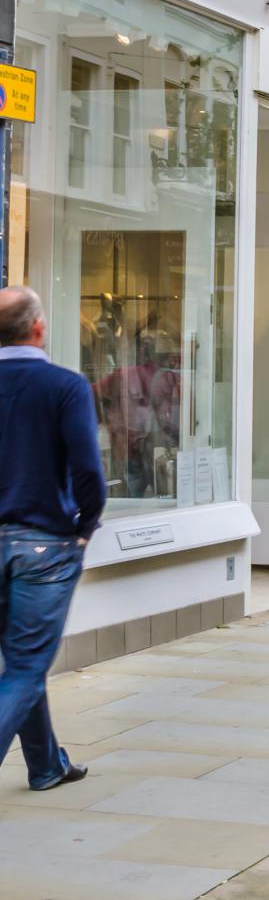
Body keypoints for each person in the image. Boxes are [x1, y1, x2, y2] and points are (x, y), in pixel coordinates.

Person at [0, 287, 104, 793]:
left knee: (23, 659)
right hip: (44, 545)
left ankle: (45, 765)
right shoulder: (64, 385)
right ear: (38, 328)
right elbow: (88, 470)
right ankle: (44, 764)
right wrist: (86, 527)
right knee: (24, 664)